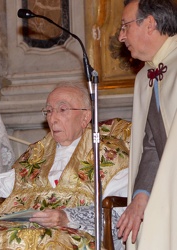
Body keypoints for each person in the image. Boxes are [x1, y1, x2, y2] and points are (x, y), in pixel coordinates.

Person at [0, 83, 131, 249]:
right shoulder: (35, 154)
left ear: (86, 116)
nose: (52, 118)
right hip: (23, 232)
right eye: (48, 111)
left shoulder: (109, 154)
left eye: (62, 110)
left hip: (76, 233)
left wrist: (68, 217)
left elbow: (119, 213)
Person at [116, 0, 177, 249]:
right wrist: (140, 198)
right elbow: (150, 146)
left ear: (149, 24)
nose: (121, 36)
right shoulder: (145, 77)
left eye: (125, 26)